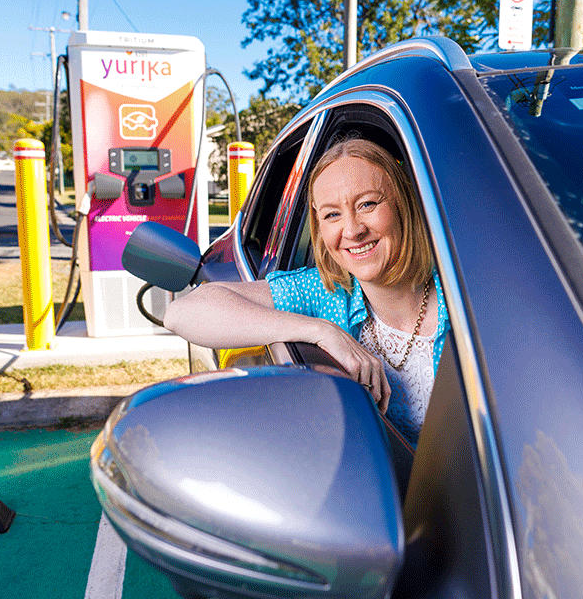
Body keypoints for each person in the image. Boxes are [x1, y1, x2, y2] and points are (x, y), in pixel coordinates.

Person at [163, 138, 450, 445]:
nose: (352, 230)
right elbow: (181, 313)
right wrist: (319, 330)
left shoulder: (464, 289)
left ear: (402, 204)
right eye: (332, 215)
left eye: (367, 204)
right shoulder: (323, 292)